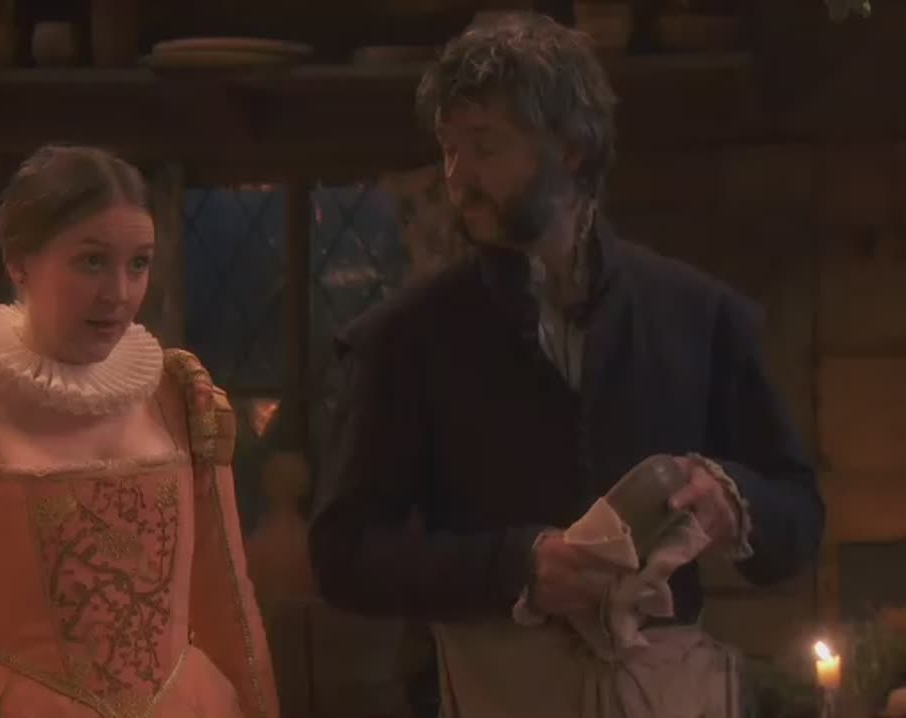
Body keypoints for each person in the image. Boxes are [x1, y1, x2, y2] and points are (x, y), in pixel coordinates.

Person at [308, 13, 825, 718]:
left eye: (485, 147)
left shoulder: (700, 316)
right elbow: (344, 554)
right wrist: (517, 566)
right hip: (493, 694)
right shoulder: (407, 338)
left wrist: (731, 502)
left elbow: (800, 518)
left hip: (664, 696)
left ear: (572, 149)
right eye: (449, 150)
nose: (458, 179)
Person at [0, 145, 279, 718]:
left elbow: (231, 614)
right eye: (91, 262)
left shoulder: (183, 405)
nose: (119, 293)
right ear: (20, 262)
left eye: (138, 264)